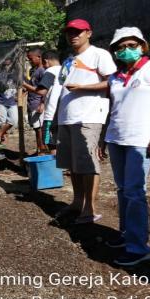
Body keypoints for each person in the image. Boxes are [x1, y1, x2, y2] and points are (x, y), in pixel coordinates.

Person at [100, 27, 150, 266]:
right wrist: (104, 137)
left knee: (134, 192)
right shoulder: (115, 77)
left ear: (142, 45)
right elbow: (113, 109)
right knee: (122, 190)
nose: (125, 50)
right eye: (120, 47)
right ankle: (126, 235)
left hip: (140, 140)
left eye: (131, 45)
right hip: (117, 138)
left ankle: (139, 247)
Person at [55, 19, 117, 224]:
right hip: (68, 116)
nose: (73, 35)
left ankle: (90, 209)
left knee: (88, 164)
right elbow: (62, 89)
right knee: (73, 164)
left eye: (78, 32)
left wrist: (83, 87)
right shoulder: (69, 60)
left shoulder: (100, 55)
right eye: (70, 32)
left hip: (89, 116)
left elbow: (113, 82)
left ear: (88, 33)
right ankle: (77, 202)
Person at [21, 47, 47, 153]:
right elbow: (33, 87)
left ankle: (43, 151)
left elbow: (46, 89)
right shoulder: (34, 71)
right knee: (37, 129)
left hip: (38, 105)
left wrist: (43, 103)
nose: (30, 61)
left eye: (31, 58)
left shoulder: (42, 71)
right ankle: (39, 150)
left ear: (39, 57)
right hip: (32, 104)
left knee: (40, 129)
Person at [39, 51, 63, 153]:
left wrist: (25, 85)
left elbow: (42, 91)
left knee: (50, 141)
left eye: (44, 64)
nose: (44, 67)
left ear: (46, 61)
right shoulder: (66, 70)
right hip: (64, 112)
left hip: (52, 114)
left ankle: (56, 166)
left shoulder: (50, 70)